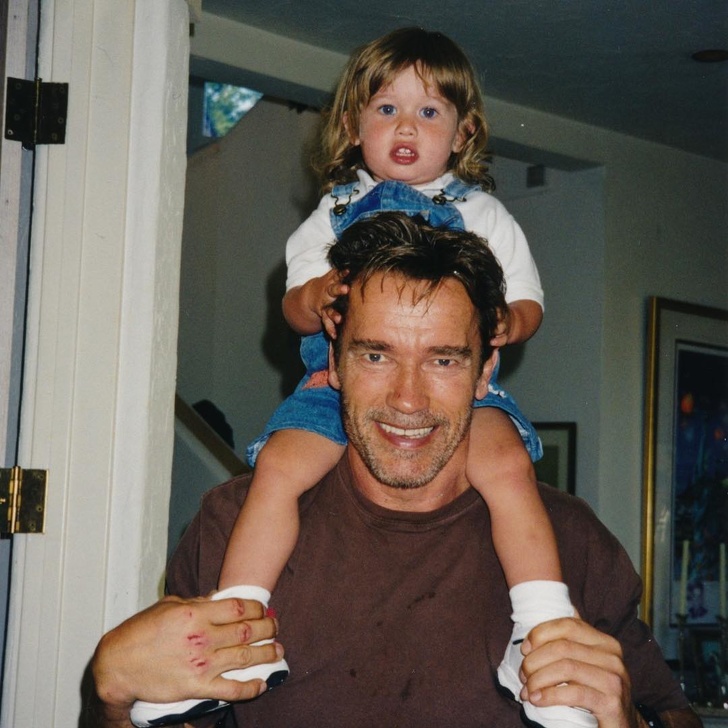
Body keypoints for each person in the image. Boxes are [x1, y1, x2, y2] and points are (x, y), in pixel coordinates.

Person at [93, 213, 700, 728]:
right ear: (333, 361)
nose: (408, 400)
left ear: (486, 372)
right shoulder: (231, 524)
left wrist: (626, 720)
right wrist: (115, 701)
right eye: (376, 355)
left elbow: (674, 714)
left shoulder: (571, 539)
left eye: (443, 360)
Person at [131, 27, 577, 728]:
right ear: (351, 124)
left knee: (508, 467)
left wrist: (504, 322)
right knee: (278, 469)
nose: (407, 128)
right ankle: (237, 634)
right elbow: (294, 305)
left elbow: (528, 305)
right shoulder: (333, 213)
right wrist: (318, 296)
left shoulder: (484, 215)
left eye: (429, 112)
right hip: (328, 391)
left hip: (477, 398)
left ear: (463, 132)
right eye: (386, 109)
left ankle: (542, 634)